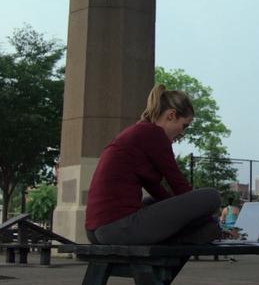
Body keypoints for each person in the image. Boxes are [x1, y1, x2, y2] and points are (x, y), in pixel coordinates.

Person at [85, 84, 221, 245]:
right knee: (211, 196)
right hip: (117, 228)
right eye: (184, 125)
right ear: (171, 115)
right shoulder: (154, 134)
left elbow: (158, 191)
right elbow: (179, 186)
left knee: (153, 202)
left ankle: (200, 232)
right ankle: (196, 234)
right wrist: (206, 217)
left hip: (97, 231)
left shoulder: (139, 133)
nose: (182, 133)